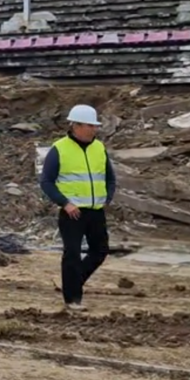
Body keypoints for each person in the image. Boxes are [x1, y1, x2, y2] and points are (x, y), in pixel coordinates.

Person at [38, 104, 116, 312]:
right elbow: (46, 182)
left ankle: (72, 282)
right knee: (72, 253)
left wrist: (107, 198)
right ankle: (72, 299)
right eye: (90, 126)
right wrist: (65, 203)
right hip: (72, 212)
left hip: (96, 210)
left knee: (100, 250)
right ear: (76, 126)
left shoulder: (99, 147)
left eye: (95, 126)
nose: (94, 129)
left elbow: (110, 178)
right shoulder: (59, 149)